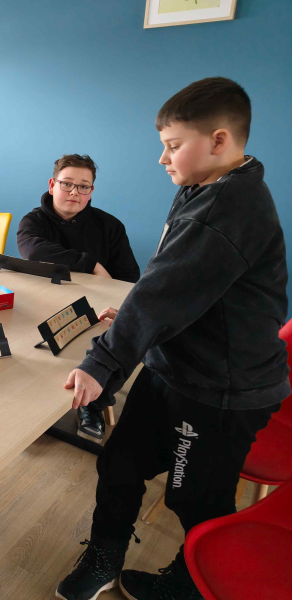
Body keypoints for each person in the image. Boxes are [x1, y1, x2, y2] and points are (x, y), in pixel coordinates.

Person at [55, 77, 289, 600]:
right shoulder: (204, 185)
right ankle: (104, 556)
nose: (162, 158)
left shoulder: (229, 209)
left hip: (220, 390)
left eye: (173, 145)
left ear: (219, 140)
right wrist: (135, 316)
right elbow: (172, 281)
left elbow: (162, 294)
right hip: (175, 366)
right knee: (120, 463)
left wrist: (101, 363)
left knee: (195, 496)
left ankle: (190, 584)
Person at [17, 154, 140, 444]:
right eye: (67, 184)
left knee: (123, 338)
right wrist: (91, 264)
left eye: (83, 186)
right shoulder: (33, 221)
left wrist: (116, 304)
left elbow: (129, 277)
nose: (74, 192)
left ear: (91, 191)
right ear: (52, 185)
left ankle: (93, 405)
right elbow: (33, 251)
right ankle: (33, 399)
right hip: (45, 302)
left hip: (99, 306)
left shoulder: (110, 226)